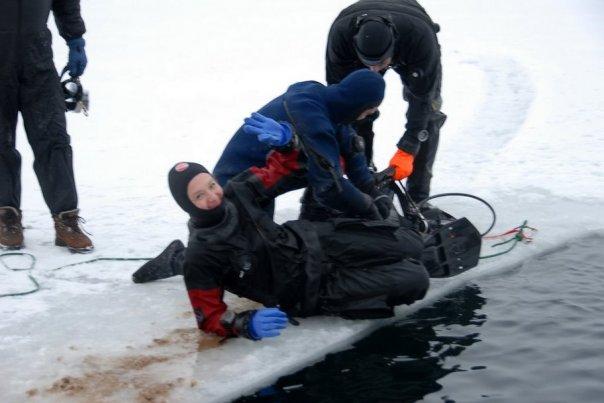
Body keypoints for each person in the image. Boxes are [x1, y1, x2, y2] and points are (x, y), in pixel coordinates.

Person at [162, 161, 429, 340]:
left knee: (411, 241)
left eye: (211, 185)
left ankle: (393, 256)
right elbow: (209, 316)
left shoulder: (238, 191)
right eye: (199, 196)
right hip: (308, 289)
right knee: (415, 279)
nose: (213, 196)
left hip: (317, 240)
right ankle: (176, 259)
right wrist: (244, 324)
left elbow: (283, 166)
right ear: (187, 204)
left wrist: (288, 140)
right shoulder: (200, 257)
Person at [213, 69, 389, 220]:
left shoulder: (328, 102)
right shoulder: (312, 117)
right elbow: (329, 186)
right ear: (360, 106)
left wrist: (372, 190)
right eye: (369, 111)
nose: (367, 117)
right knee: (254, 251)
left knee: (334, 161)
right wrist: (367, 208)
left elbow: (350, 148)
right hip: (235, 184)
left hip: (262, 181)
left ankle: (315, 216)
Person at [326, 0, 447, 203]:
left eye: (380, 64)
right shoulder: (342, 37)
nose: (374, 71)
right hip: (352, 22)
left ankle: (418, 199)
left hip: (413, 28)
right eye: (368, 64)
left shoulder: (419, 40)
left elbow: (423, 102)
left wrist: (408, 149)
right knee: (354, 107)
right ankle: (363, 183)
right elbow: (339, 101)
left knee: (429, 118)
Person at [0, 0, 93, 251]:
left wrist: (75, 37)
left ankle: (66, 219)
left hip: (37, 58)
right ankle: (6, 215)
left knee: (54, 139)